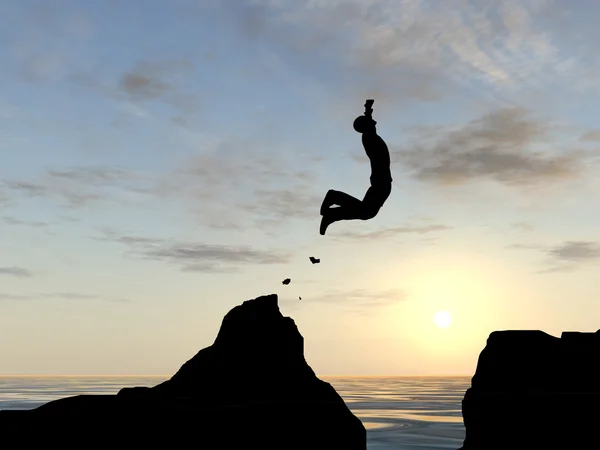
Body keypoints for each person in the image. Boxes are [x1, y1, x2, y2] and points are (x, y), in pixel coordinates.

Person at [319, 99, 392, 235]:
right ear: (365, 126)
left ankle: (333, 208)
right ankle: (334, 200)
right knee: (367, 212)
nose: (374, 123)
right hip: (381, 182)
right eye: (369, 122)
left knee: (366, 211)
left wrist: (368, 109)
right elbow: (370, 125)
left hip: (381, 181)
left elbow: (370, 123)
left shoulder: (370, 136)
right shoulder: (369, 137)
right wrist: (367, 109)